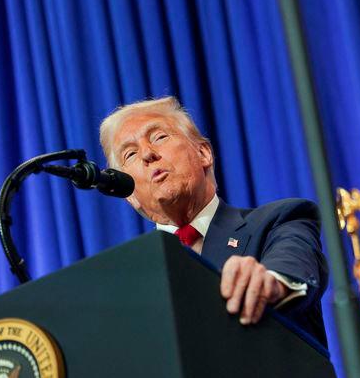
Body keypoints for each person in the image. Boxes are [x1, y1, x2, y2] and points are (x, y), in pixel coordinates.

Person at [99, 96, 328, 346]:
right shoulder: (128, 285)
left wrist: (269, 282)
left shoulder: (279, 220)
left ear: (203, 153)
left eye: (159, 137)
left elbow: (292, 267)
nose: (147, 154)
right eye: (130, 154)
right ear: (130, 196)